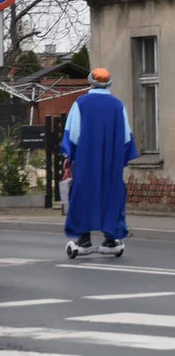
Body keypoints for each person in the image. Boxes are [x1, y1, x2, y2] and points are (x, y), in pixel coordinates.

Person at [62, 68, 139, 256]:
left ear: (90, 82)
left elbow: (73, 135)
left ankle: (84, 239)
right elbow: (126, 138)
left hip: (86, 161)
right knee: (111, 196)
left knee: (83, 196)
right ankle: (111, 238)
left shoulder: (81, 103)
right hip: (111, 162)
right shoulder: (117, 105)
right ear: (109, 83)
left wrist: (68, 157)